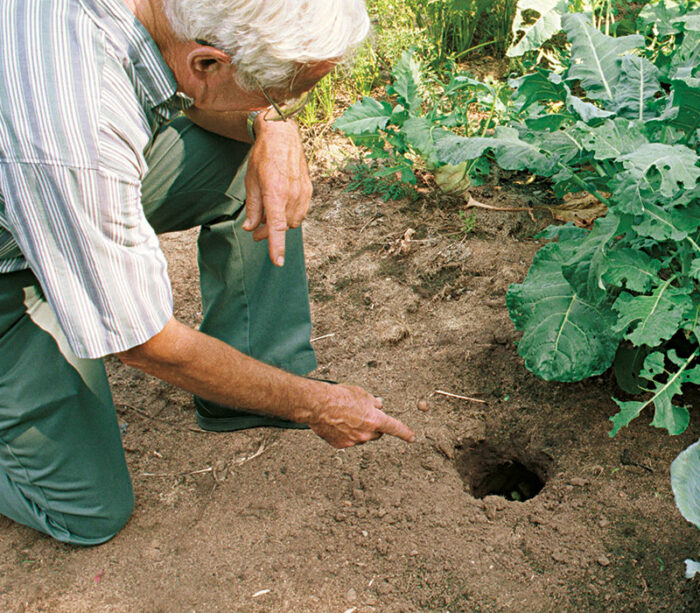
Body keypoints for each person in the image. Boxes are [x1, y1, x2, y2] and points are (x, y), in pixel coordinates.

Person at [0, 0, 414, 546]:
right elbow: (141, 341)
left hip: (48, 189)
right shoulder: (78, 137)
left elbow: (199, 105)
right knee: (87, 512)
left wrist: (271, 127)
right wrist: (317, 404)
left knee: (256, 160)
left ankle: (242, 387)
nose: (292, 106)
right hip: (18, 244)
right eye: (280, 96)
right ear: (208, 63)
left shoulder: (170, 19)